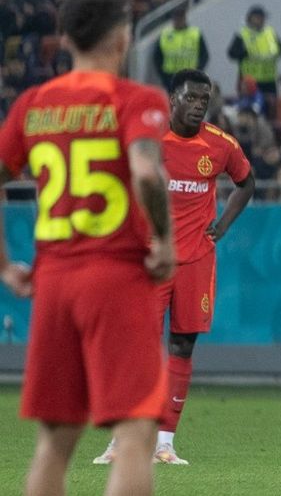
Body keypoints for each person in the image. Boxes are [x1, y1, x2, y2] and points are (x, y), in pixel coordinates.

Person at [1, 0, 178, 496]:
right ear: (121, 35)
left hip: (52, 283)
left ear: (67, 37)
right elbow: (148, 171)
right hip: (115, 278)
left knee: (55, 439)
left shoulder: (33, 105)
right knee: (136, 430)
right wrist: (161, 239)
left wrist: (5, 267)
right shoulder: (135, 99)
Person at [92, 69, 254, 466]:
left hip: (196, 260)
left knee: (182, 346)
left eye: (205, 99)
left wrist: (222, 225)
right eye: (191, 97)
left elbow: (247, 183)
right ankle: (121, 440)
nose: (199, 105)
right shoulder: (148, 140)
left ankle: (164, 443)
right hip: (150, 258)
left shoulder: (220, 145)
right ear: (172, 99)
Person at [227, 5, 281, 119]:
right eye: (257, 17)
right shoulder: (242, 34)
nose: (259, 20)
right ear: (249, 18)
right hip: (249, 82)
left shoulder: (270, 32)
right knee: (248, 111)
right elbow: (231, 53)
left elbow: (280, 49)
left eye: (261, 17)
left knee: (270, 112)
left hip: (269, 80)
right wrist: (244, 53)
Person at [153, 6, 208, 88]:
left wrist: (197, 74)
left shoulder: (195, 34)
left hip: (190, 78)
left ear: (185, 18)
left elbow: (204, 55)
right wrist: (163, 76)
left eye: (180, 17)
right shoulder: (165, 35)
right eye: (176, 17)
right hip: (170, 78)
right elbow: (157, 57)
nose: (178, 20)